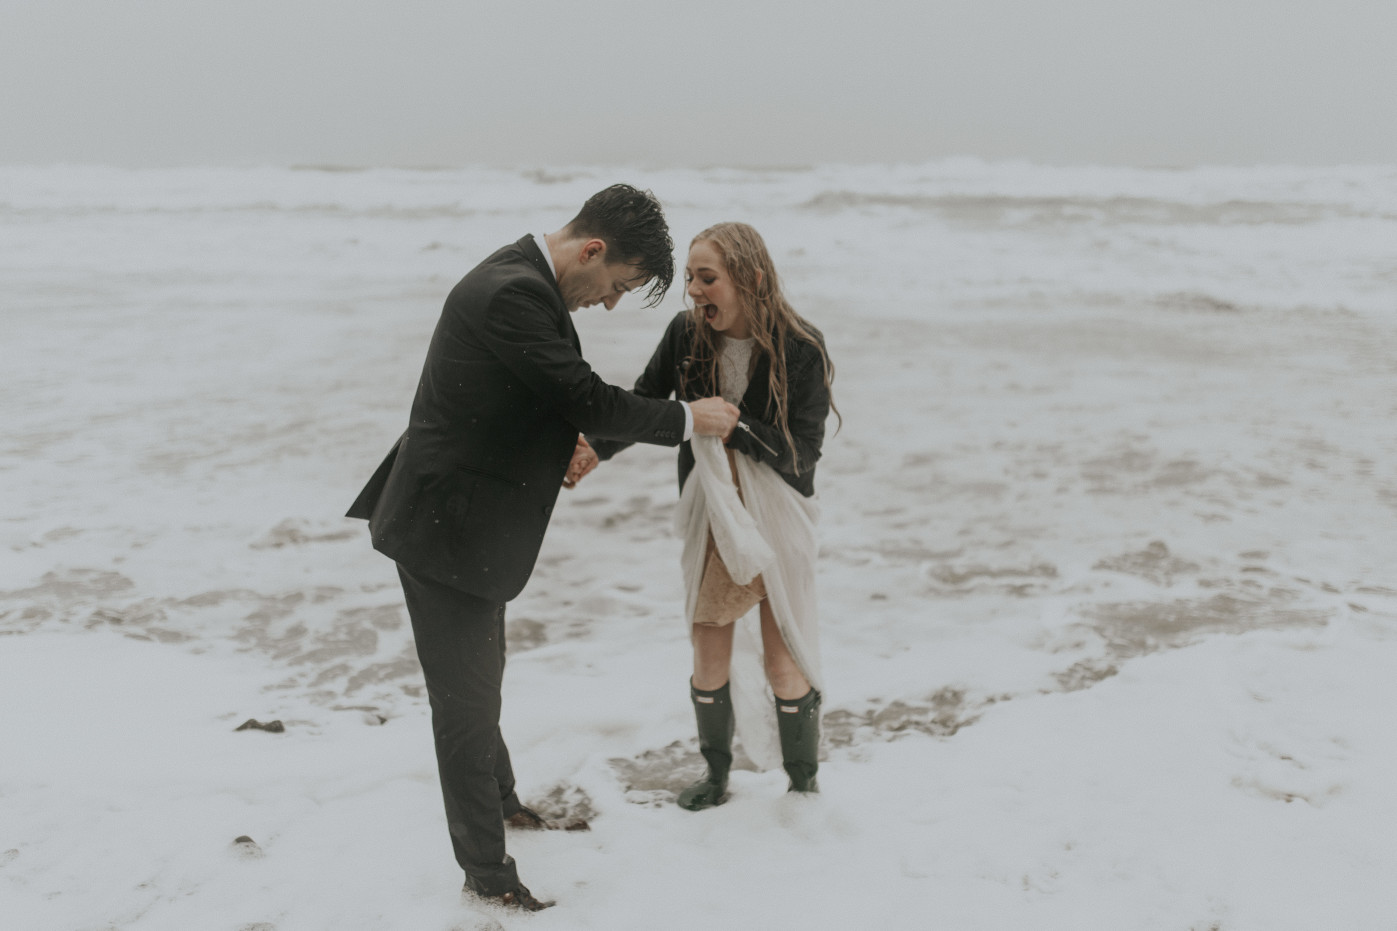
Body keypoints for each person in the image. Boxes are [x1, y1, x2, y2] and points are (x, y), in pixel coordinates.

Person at [345, 185, 740, 912]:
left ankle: (505, 806)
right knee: (463, 704)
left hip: (459, 520)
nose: (611, 302)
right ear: (592, 250)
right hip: (445, 528)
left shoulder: (521, 279)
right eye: (617, 285)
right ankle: (488, 878)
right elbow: (583, 396)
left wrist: (566, 444)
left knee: (480, 679)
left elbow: (517, 394)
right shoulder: (512, 294)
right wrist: (690, 417)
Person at [585, 222, 837, 811]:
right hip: (710, 515)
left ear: (749, 278)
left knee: (782, 661)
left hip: (778, 517)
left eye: (707, 278)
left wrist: (734, 424)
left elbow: (803, 457)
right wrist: (594, 449)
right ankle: (716, 777)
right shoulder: (685, 335)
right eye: (691, 280)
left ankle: (803, 788)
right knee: (708, 653)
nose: (694, 292)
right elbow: (649, 401)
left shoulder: (801, 347)